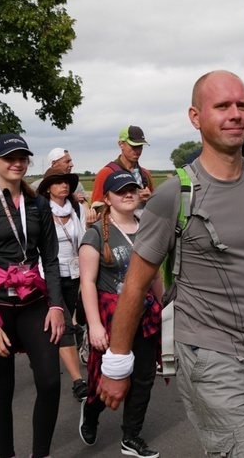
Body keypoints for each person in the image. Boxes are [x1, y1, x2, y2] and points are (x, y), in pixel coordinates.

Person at [97, 70, 244, 457]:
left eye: (242, 105)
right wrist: (117, 363)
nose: (235, 114)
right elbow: (137, 283)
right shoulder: (174, 195)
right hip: (209, 357)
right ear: (195, 117)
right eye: (222, 106)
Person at [0, 133, 65, 458]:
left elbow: (51, 259)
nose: (17, 163)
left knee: (49, 381)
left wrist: (58, 305)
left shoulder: (39, 205)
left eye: (22, 158)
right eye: (9, 158)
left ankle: (40, 453)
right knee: (2, 389)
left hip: (34, 303)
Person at [78, 170, 163, 456]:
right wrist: (94, 326)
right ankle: (91, 412)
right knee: (107, 379)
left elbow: (155, 277)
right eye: (120, 191)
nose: (128, 194)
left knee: (143, 377)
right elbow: (87, 283)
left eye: (132, 189)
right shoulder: (95, 235)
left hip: (146, 315)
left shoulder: (148, 228)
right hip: (110, 317)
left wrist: (163, 307)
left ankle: (131, 437)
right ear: (107, 198)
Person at [36, 166, 89, 401]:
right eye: (58, 182)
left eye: (66, 182)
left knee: (71, 321)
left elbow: (84, 237)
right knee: (65, 324)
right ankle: (78, 381)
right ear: (48, 189)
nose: (64, 185)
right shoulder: (41, 210)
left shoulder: (76, 208)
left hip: (75, 274)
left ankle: (44, 354)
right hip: (52, 274)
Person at [90, 126, 154, 212]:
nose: (138, 150)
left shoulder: (145, 174)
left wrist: (150, 199)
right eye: (133, 146)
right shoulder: (106, 173)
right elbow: (95, 210)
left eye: (140, 146)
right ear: (121, 144)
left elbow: (156, 209)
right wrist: (132, 201)